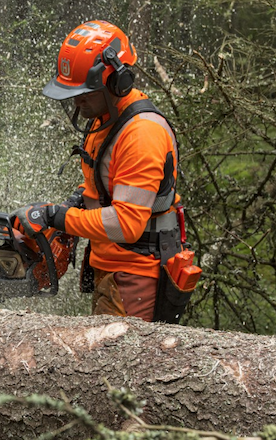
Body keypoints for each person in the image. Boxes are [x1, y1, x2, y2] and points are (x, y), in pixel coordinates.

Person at [12, 20, 183, 322]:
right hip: (111, 265)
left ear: (118, 81)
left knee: (123, 364)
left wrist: (57, 217)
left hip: (136, 273)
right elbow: (105, 184)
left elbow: (126, 223)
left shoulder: (141, 133)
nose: (77, 100)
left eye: (85, 92)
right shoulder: (105, 117)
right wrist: (75, 203)